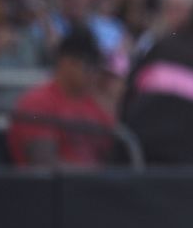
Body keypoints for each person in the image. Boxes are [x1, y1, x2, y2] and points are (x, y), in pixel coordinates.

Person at [7, 25, 115, 168]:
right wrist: (98, 177)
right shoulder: (37, 102)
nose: (94, 73)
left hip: (92, 186)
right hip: (47, 189)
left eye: (97, 66)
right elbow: (43, 164)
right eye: (89, 65)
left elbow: (115, 155)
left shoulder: (95, 104)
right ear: (66, 62)